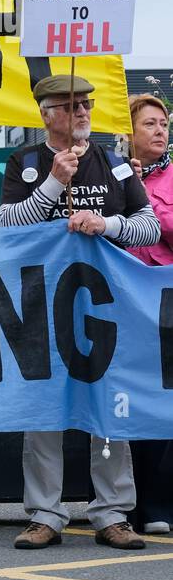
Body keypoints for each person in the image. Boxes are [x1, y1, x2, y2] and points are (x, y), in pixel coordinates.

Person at [0, 74, 158, 551]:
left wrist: (104, 223)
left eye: (86, 104)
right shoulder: (24, 161)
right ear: (47, 115)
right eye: (70, 107)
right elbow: (7, 226)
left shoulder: (115, 163)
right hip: (41, 304)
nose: (84, 112)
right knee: (44, 408)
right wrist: (53, 184)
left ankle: (111, 513)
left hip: (106, 305)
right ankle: (46, 514)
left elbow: (148, 227)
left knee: (110, 407)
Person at [124, 93, 173, 534]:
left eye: (164, 124)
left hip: (168, 307)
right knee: (135, 407)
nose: (160, 131)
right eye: (151, 124)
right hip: (125, 306)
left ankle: (162, 503)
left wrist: (145, 202)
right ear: (129, 133)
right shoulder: (109, 177)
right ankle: (141, 505)